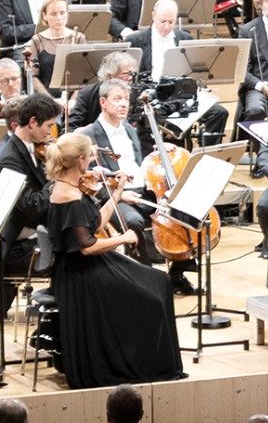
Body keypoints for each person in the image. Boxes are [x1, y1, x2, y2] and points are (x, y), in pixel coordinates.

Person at [42, 135, 187, 388]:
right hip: (80, 276)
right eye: (89, 157)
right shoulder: (68, 196)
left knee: (160, 280)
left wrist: (117, 194)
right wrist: (123, 238)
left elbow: (94, 222)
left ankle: (144, 358)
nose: (91, 162)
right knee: (149, 299)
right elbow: (86, 247)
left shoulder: (70, 186)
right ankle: (140, 362)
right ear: (80, 161)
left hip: (88, 267)